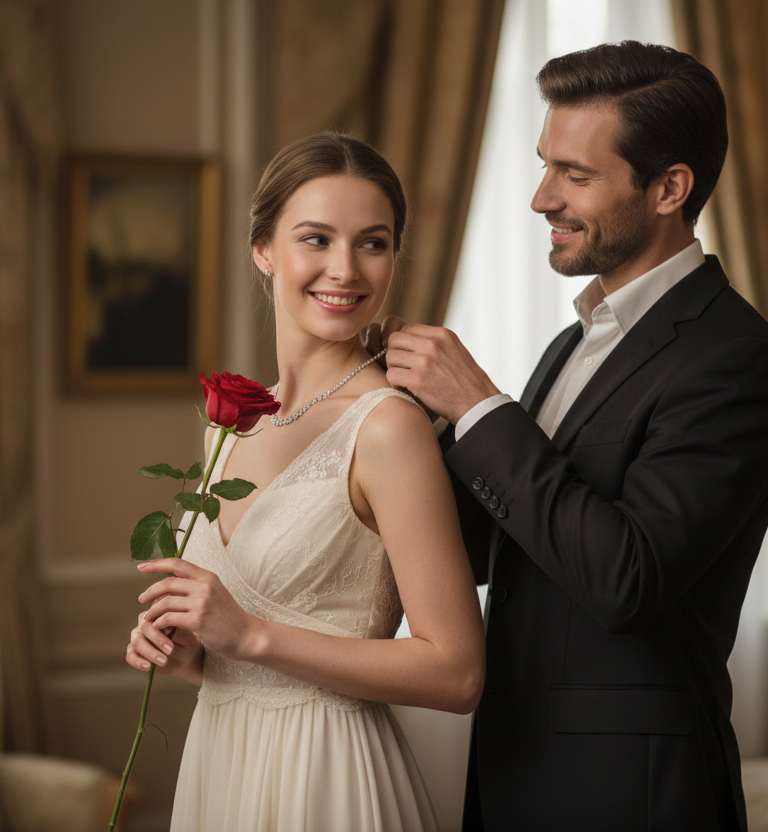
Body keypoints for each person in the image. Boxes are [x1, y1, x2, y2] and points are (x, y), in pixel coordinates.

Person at [371, 41, 768, 831]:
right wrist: (398, 425)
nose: (541, 198)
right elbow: (505, 541)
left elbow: (625, 578)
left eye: (574, 174)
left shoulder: (736, 360)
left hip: (629, 793)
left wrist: (480, 408)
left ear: (670, 188)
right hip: (512, 762)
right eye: (544, 166)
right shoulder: (574, 343)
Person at [126, 132, 486, 832]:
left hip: (327, 778)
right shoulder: (228, 424)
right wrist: (189, 651)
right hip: (223, 763)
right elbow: (237, 656)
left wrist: (250, 634)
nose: (345, 269)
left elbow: (457, 673)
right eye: (316, 239)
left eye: (373, 243)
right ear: (264, 249)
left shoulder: (388, 428)